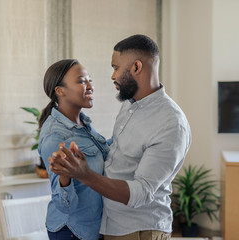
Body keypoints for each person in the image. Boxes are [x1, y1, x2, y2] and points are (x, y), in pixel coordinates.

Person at [48, 34, 192, 240]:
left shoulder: (170, 123)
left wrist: (85, 174)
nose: (112, 76)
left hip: (140, 231)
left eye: (116, 67)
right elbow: (119, 156)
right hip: (113, 226)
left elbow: (141, 192)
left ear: (136, 67)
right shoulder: (129, 105)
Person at [38, 59, 110, 240]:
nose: (90, 86)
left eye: (90, 80)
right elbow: (64, 205)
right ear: (60, 91)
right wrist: (65, 177)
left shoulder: (84, 124)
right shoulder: (55, 136)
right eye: (81, 81)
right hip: (72, 232)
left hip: (95, 227)